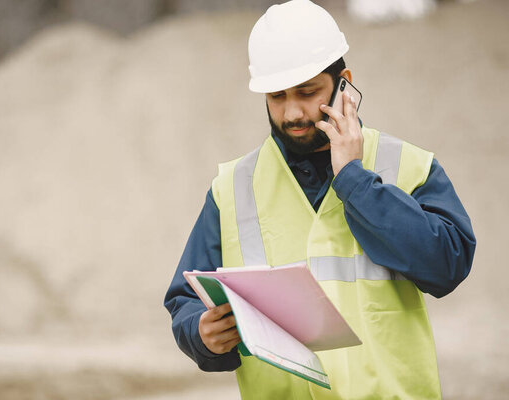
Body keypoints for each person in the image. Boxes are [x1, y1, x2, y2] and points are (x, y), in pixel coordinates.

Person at [164, 0, 476, 398]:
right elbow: (186, 301)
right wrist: (201, 334)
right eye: (276, 96)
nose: (292, 112)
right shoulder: (232, 187)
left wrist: (355, 182)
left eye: (307, 92)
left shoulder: (409, 166)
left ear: (344, 82)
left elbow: (448, 265)